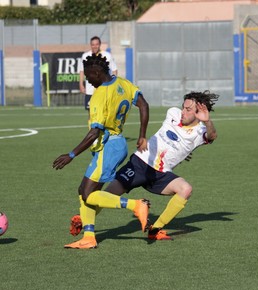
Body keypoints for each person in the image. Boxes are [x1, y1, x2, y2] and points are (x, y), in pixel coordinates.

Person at [71, 90, 219, 241]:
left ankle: (155, 229)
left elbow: (212, 136)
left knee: (186, 189)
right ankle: (82, 219)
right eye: (183, 107)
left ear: (199, 112)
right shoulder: (173, 113)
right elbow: (175, 139)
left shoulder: (201, 131)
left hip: (161, 174)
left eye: (188, 110)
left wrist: (206, 121)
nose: (182, 112)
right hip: (140, 163)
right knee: (108, 194)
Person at [53, 53, 149, 249]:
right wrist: (141, 135)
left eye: (89, 77)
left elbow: (95, 132)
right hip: (117, 143)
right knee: (84, 191)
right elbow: (143, 105)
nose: (88, 81)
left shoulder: (99, 96)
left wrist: (71, 155)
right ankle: (88, 236)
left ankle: (136, 205)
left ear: (97, 72)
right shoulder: (123, 83)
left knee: (88, 193)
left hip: (109, 146)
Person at [79, 36, 118, 116]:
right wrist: (81, 84)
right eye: (93, 44)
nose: (95, 46)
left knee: (104, 113)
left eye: (96, 44)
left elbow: (114, 70)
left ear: (99, 45)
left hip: (104, 90)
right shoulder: (85, 56)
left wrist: (112, 85)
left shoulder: (107, 55)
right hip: (90, 91)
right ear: (90, 45)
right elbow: (81, 71)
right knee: (90, 114)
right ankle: (91, 128)